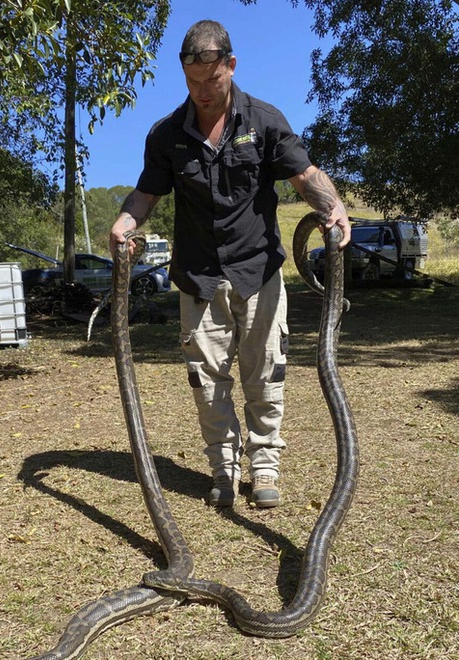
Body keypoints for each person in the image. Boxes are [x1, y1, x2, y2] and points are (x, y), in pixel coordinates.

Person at [110, 19, 350, 509]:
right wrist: (124, 222)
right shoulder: (167, 136)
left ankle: (264, 466)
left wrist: (333, 207)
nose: (202, 91)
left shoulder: (263, 121)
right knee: (207, 381)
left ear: (230, 66)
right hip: (198, 277)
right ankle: (223, 468)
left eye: (211, 80)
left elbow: (304, 175)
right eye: (193, 82)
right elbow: (147, 192)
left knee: (266, 373)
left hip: (258, 272)